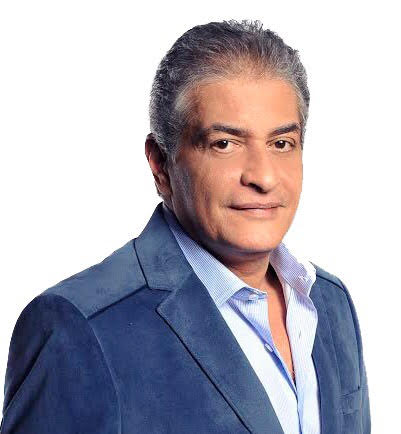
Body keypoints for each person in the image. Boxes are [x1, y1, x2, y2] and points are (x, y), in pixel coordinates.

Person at [0, 19, 370, 434]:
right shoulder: (79, 328)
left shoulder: (329, 303)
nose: (263, 177)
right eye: (224, 144)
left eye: (281, 143)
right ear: (161, 164)